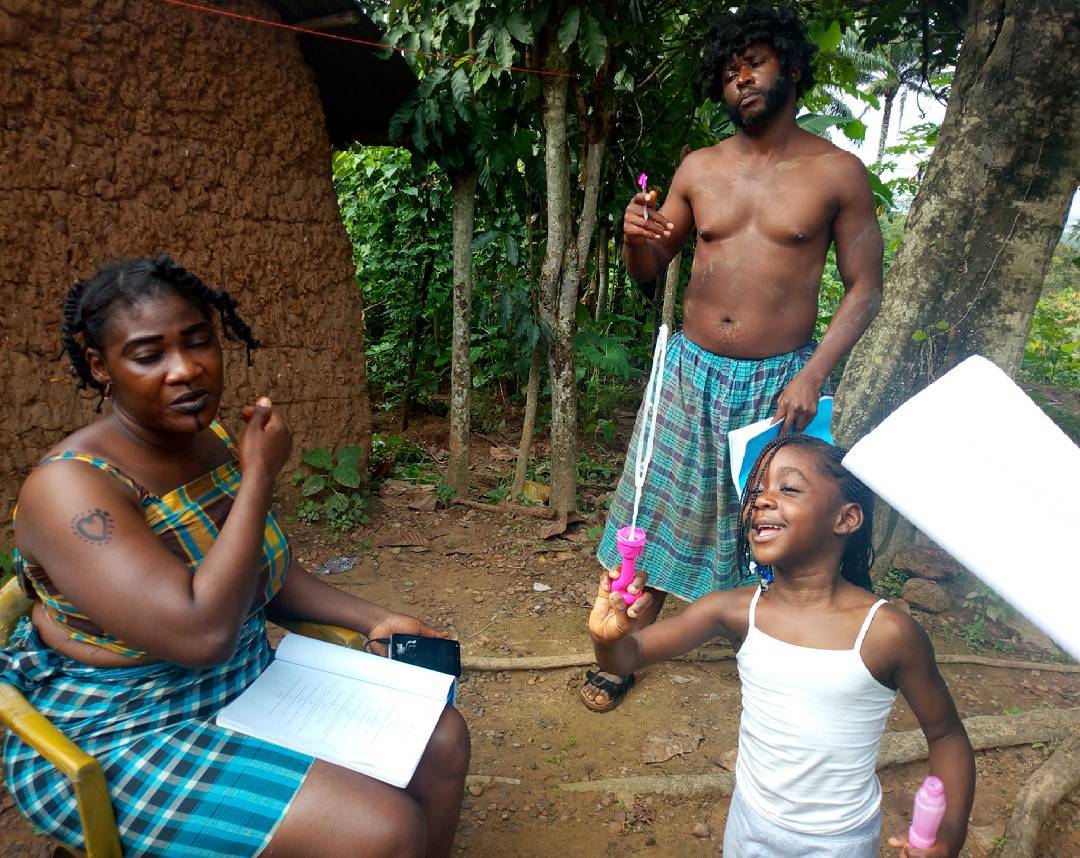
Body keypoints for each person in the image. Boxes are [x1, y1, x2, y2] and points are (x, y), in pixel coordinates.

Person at [2, 256, 470, 858]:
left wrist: (372, 619)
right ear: (101, 367)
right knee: (383, 830)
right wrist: (257, 479)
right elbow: (201, 635)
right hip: (124, 728)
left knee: (443, 740)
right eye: (149, 356)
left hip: (247, 680)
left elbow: (265, 578)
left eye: (199, 343)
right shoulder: (71, 489)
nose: (186, 370)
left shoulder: (215, 441)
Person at [583, 4, 884, 711]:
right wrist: (635, 236)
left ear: (794, 69)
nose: (740, 78)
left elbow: (866, 287)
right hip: (690, 371)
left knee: (782, 520)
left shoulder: (836, 172)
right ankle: (621, 644)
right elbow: (650, 268)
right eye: (728, 71)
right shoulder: (700, 168)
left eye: (754, 62)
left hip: (784, 379)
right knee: (651, 507)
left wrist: (813, 375)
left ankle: (788, 662)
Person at [589, 434, 975, 857]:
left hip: (839, 840)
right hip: (749, 823)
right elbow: (628, 657)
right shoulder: (734, 610)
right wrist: (607, 640)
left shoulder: (886, 633)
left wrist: (949, 834)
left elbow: (946, 735)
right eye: (756, 490)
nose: (761, 501)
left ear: (845, 519)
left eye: (788, 488)